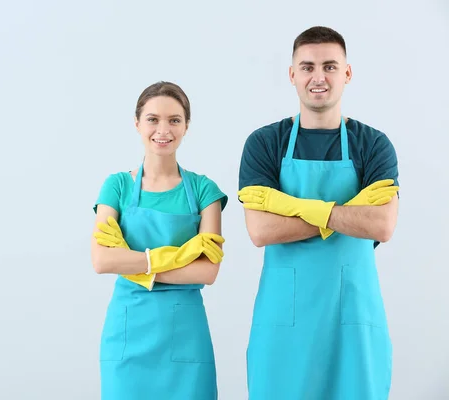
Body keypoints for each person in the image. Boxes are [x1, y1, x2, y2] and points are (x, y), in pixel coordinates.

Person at [238, 26, 400, 400]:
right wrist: (345, 214)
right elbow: (261, 229)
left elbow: (382, 223)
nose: (319, 77)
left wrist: (290, 208)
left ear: (347, 73)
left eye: (330, 66)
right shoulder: (265, 143)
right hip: (284, 322)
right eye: (307, 66)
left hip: (353, 320)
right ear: (292, 74)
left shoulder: (373, 145)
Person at [91, 81, 228, 399]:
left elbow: (207, 271)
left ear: (187, 125)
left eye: (174, 120)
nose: (163, 129)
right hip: (128, 334)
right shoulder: (118, 187)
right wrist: (177, 257)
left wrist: (135, 263)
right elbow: (101, 260)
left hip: (185, 336)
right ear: (137, 123)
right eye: (153, 119)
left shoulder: (204, 191)